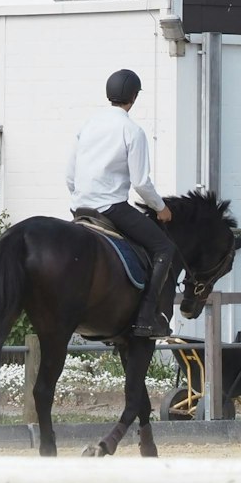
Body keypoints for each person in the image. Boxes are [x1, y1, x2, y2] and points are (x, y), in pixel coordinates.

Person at [66, 68, 177, 337]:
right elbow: (140, 183)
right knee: (164, 247)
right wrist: (161, 208)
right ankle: (145, 316)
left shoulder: (88, 127)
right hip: (112, 208)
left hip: (81, 208)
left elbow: (70, 176)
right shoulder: (132, 130)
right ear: (134, 97)